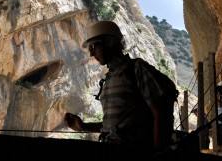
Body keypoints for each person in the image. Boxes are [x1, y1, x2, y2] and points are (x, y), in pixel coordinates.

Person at [65, 20, 174, 150]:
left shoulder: (137, 68)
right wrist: (84, 127)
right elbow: (114, 127)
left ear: (110, 42)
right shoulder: (109, 79)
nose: (92, 53)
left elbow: (161, 112)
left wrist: (158, 153)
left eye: (94, 47)